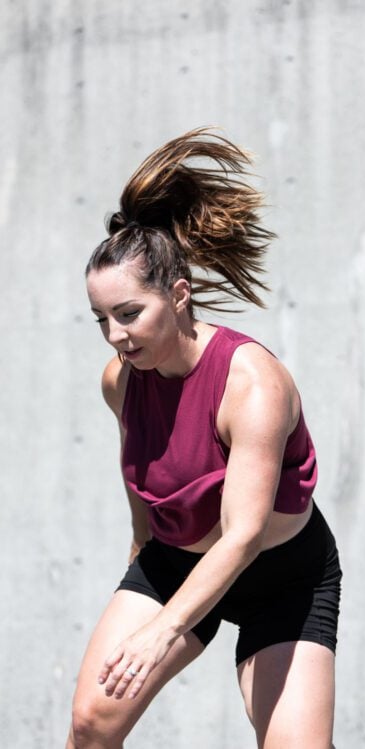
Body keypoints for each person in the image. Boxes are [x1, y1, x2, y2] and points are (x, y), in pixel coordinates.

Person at [67, 128, 342, 749]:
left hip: (283, 580)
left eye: (129, 314)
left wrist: (163, 630)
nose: (114, 335)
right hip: (176, 563)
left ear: (179, 294)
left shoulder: (252, 384)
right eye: (101, 319)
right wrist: (141, 547)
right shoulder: (121, 380)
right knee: (91, 725)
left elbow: (243, 535)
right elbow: (138, 467)